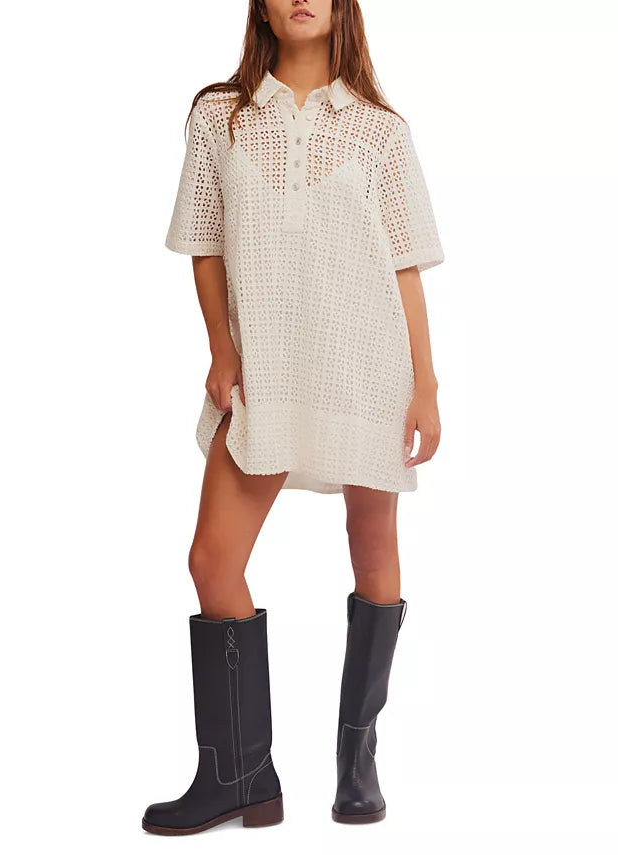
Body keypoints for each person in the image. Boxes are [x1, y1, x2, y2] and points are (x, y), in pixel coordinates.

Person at [142, 0, 445, 835]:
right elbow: (206, 243)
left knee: (372, 547)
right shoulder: (222, 116)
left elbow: (406, 263)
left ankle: (357, 762)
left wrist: (425, 384)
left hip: (366, 363)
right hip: (266, 365)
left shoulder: (381, 130)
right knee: (213, 560)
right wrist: (221, 347)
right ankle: (241, 773)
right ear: (262, 7)